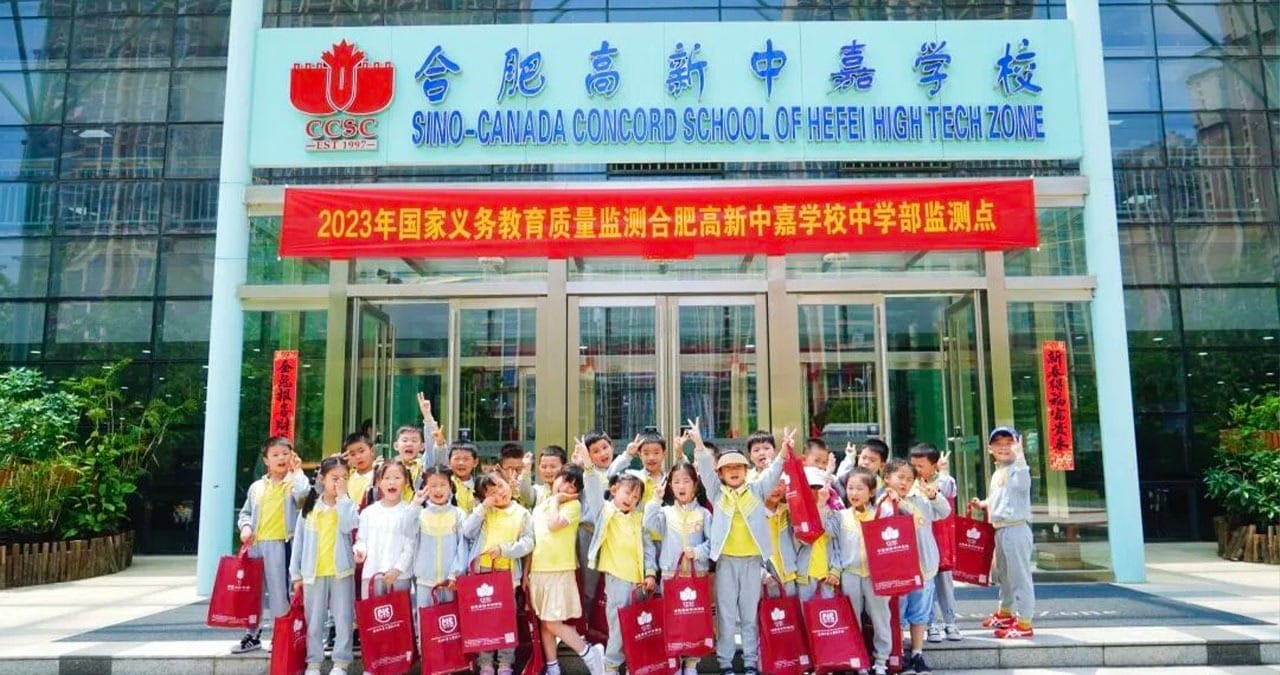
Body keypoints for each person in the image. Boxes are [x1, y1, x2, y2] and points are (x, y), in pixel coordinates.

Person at [692, 419, 793, 675]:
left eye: (739, 467)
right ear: (722, 474)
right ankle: (725, 663)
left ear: (746, 470)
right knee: (726, 616)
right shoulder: (717, 493)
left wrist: (783, 451)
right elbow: (704, 470)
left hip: (751, 562)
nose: (734, 471)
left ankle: (749, 662)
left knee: (749, 615)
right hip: (725, 561)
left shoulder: (757, 490)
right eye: (729, 468)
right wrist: (699, 444)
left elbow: (773, 472)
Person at [233, 436, 310, 654]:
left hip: (281, 544)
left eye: (285, 454)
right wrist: (245, 526)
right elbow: (246, 512)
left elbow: (303, 497)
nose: (281, 458)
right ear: (266, 460)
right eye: (275, 455)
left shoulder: (294, 482)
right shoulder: (257, 486)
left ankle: (281, 633)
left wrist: (298, 472)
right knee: (252, 592)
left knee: (279, 592)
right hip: (256, 546)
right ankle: (252, 633)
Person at [528, 465, 605, 675]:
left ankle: (588, 653)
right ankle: (553, 666)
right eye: (565, 481)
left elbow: (554, 525)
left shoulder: (573, 507)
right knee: (546, 622)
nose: (567, 488)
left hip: (559, 570)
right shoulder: (539, 507)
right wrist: (527, 573)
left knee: (552, 621)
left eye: (573, 487)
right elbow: (533, 541)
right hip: (538, 571)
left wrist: (555, 501)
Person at [878, 458, 950, 675]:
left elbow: (945, 511)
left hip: (924, 566)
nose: (904, 483)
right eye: (900, 477)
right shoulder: (882, 502)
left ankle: (917, 652)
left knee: (920, 612)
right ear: (887, 478)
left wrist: (933, 495)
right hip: (898, 570)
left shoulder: (920, 500)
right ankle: (899, 655)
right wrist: (895, 503)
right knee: (898, 613)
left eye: (909, 479)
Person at [289, 456, 359, 675]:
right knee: (314, 621)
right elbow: (298, 543)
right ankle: (314, 662)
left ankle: (341, 662)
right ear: (322, 478)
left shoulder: (348, 505)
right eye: (334, 478)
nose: (338, 483)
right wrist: (296, 574)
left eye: (344, 478)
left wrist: (343, 498)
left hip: (341, 571)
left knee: (343, 618)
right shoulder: (309, 509)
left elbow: (349, 526)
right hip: (314, 572)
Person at [643, 462, 713, 675]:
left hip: (696, 576)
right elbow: (648, 526)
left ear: (695, 485)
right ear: (670, 486)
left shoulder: (704, 514)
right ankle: (673, 662)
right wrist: (655, 500)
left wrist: (698, 551)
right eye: (676, 482)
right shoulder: (664, 513)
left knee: (694, 621)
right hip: (669, 577)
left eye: (686, 481)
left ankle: (691, 663)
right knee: (672, 621)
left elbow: (713, 544)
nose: (681, 486)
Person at [461, 472, 534, 675]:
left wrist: (504, 550)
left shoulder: (522, 513)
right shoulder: (485, 512)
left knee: (505, 618)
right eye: (491, 492)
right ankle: (484, 661)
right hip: (481, 572)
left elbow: (529, 542)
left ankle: (505, 663)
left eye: (500, 487)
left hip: (507, 573)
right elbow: (466, 531)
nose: (498, 494)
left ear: (509, 485)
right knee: (482, 617)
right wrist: (483, 507)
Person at [585, 473, 653, 675]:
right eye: (627, 493)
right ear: (614, 490)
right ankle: (611, 665)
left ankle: (633, 663)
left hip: (638, 582)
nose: (630, 499)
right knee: (618, 625)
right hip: (617, 578)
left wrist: (650, 574)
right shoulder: (606, 513)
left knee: (636, 624)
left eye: (635, 497)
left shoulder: (639, 519)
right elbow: (593, 490)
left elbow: (648, 548)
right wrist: (589, 467)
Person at [972, 427, 1036, 639]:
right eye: (998, 444)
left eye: (1009, 443)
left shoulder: (1019, 469)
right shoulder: (1000, 471)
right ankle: (1005, 613)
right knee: (1005, 576)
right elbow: (1000, 497)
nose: (1004, 447)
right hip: (1001, 529)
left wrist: (1020, 457)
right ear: (990, 449)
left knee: (1020, 578)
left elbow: (1023, 485)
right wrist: (983, 504)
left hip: (1015, 528)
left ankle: (1024, 623)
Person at [836, 469, 891, 675]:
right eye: (850, 488)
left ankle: (881, 660)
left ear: (871, 492)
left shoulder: (879, 514)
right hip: (849, 573)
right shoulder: (841, 516)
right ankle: (858, 661)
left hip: (876, 575)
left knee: (880, 617)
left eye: (860, 488)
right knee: (852, 620)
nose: (854, 493)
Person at [909, 443, 962, 643]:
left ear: (933, 465)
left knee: (945, 584)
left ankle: (950, 622)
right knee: (927, 584)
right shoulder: (911, 484)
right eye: (913, 465)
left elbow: (947, 489)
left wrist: (944, 471)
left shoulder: (943, 481)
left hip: (943, 539)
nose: (916, 470)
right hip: (923, 543)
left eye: (921, 465)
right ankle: (931, 624)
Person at [353, 460, 416, 604]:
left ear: (406, 482)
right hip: (372, 576)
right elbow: (361, 540)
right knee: (373, 622)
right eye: (386, 478)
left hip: (399, 577)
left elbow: (410, 546)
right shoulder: (368, 513)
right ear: (378, 482)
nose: (391, 482)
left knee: (400, 621)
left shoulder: (410, 512)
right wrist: (359, 551)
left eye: (397, 478)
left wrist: (398, 570)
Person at [409, 464, 467, 611]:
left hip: (451, 582)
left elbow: (463, 547)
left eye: (443, 485)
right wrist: (415, 505)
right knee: (426, 626)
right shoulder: (420, 514)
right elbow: (406, 531)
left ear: (450, 487)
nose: (438, 490)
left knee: (452, 628)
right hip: (425, 582)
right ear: (425, 488)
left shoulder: (458, 514)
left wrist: (455, 574)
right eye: (433, 485)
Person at [794, 466, 842, 602]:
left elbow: (835, 539)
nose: (815, 491)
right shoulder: (796, 514)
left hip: (827, 578)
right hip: (805, 577)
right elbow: (801, 540)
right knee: (806, 618)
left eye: (818, 487)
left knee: (828, 619)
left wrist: (835, 570)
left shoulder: (833, 512)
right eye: (811, 487)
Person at [608, 432, 666, 506]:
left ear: (664, 454)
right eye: (646, 453)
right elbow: (610, 475)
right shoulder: (633, 477)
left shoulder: (671, 480)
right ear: (640, 455)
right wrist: (627, 455)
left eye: (656, 453)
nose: (651, 458)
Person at [343, 433, 378, 510]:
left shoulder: (380, 474)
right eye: (352, 454)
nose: (358, 457)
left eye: (361, 451)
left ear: (372, 451)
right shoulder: (346, 476)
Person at [390, 426, 427, 496]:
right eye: (404, 440)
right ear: (396, 446)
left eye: (414, 441)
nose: (409, 444)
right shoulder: (389, 467)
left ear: (422, 446)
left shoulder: (424, 466)